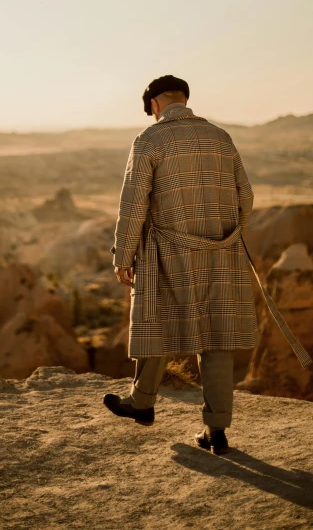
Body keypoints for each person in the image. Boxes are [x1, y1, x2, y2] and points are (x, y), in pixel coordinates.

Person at [102, 74, 259, 456]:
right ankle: (216, 431)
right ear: (184, 100)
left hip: (166, 250)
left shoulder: (150, 139)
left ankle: (142, 403)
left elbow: (133, 204)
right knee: (219, 337)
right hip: (221, 251)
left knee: (155, 323)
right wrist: (227, 236)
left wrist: (123, 255)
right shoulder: (221, 138)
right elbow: (246, 196)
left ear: (155, 105)